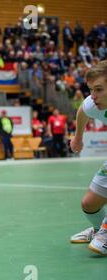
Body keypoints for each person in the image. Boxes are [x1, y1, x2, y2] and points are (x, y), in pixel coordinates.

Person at [69, 61, 107, 256]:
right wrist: (78, 138)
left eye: (99, 89)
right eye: (91, 89)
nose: (93, 95)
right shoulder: (93, 103)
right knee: (89, 204)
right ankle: (98, 229)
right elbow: (82, 111)